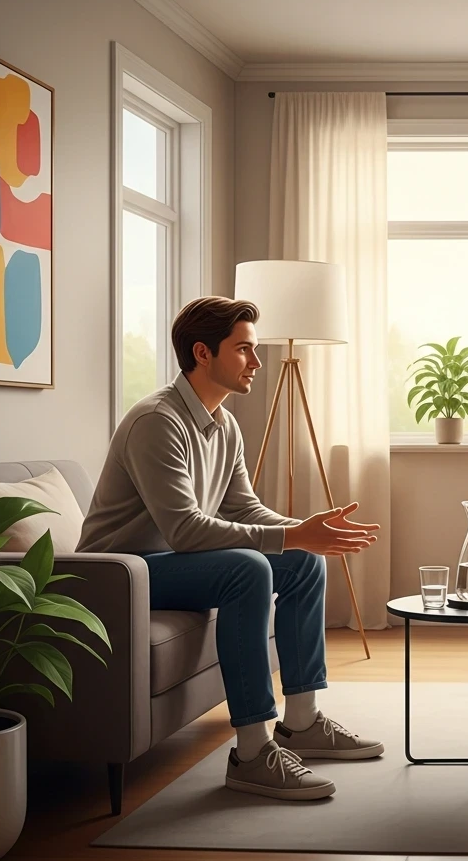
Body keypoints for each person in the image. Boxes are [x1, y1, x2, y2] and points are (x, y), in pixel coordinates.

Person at [78, 296, 383, 801]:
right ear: (203, 353)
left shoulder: (226, 425)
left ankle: (301, 723)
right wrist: (292, 534)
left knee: (303, 563)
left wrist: (305, 531)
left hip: (172, 563)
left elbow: (243, 509)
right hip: (122, 573)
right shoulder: (157, 421)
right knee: (246, 569)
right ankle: (252, 752)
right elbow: (186, 531)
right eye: (244, 350)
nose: (257, 364)